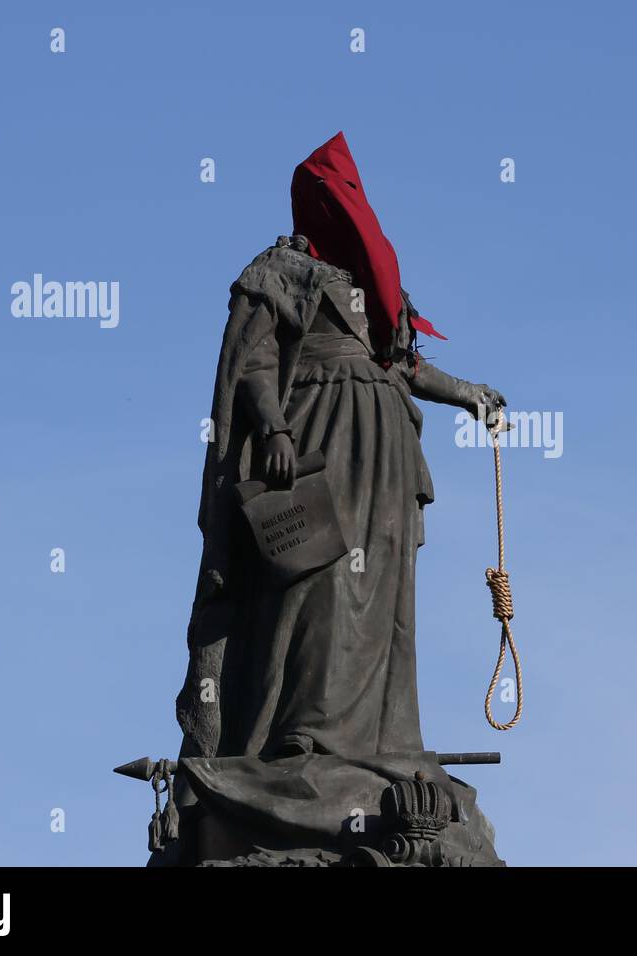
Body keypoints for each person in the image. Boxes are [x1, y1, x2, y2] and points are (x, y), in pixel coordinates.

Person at [174, 132, 506, 767]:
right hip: (320, 436)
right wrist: (272, 428)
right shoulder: (281, 271)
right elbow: (254, 360)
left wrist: (470, 394)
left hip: (384, 450)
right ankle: (301, 731)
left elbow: (405, 365)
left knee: (380, 588)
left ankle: (376, 739)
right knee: (316, 578)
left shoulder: (377, 291)